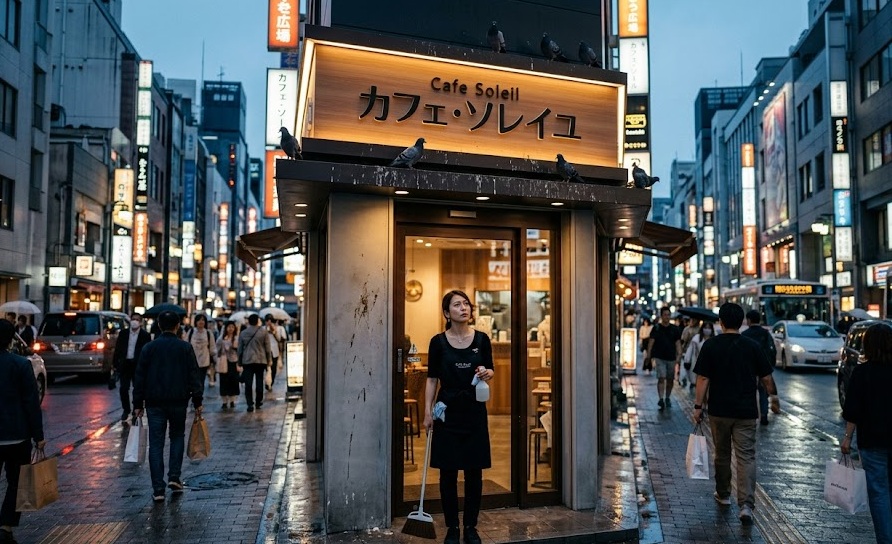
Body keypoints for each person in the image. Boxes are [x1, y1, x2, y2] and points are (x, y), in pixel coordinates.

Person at [692, 302, 780, 524]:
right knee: (746, 456)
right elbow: (767, 377)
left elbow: (703, 378)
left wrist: (698, 406)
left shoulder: (710, 346)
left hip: (719, 411)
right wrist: (773, 398)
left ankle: (723, 494)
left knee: (721, 454)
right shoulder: (751, 346)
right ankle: (746, 506)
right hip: (746, 411)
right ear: (741, 322)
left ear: (720, 322)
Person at [423, 290, 494, 544]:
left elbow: (490, 370)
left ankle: (471, 527)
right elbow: (432, 379)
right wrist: (427, 413)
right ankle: (452, 527)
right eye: (457, 304)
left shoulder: (483, 340)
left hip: (474, 411)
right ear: (446, 313)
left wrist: (487, 372)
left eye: (466, 304)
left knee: (474, 473)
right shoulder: (437, 342)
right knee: (448, 472)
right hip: (447, 411)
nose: (464, 308)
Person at [132, 311, 203, 503]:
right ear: (177, 326)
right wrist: (198, 401)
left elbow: (139, 378)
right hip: (179, 401)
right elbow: (194, 376)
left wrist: (137, 404)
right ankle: (174, 477)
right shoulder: (185, 348)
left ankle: (158, 489)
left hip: (154, 402)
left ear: (160, 326)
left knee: (156, 443)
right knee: (177, 436)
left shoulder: (149, 348)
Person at [841, 322, 892, 543]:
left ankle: (885, 539)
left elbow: (853, 410)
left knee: (879, 493)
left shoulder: (862, 372)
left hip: (872, 441)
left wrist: (847, 438)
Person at [0, 319, 45, 543]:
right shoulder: (20, 364)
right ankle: (6, 524)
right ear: (11, 340)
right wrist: (39, 436)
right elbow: (31, 402)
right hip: (17, 434)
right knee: (16, 482)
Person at [112, 312, 152, 422]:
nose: (135, 321)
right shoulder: (123, 334)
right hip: (125, 364)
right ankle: (126, 409)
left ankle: (136, 410)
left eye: (137, 320)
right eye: (133, 319)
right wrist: (115, 364)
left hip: (138, 366)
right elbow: (118, 349)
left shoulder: (145, 335)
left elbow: (147, 352)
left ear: (140, 322)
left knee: (137, 389)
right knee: (123, 388)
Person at [741, 310, 777, 425]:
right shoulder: (765, 333)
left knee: (749, 393)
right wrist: (770, 366)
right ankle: (764, 415)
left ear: (749, 320)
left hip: (748, 370)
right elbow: (772, 350)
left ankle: (751, 416)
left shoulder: (744, 335)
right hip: (763, 369)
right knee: (763, 393)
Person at [646, 306, 682, 410]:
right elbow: (651, 342)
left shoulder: (674, 329)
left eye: (668, 315)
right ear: (661, 316)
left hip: (671, 357)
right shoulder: (656, 328)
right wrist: (648, 355)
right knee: (661, 377)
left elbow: (678, 343)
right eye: (665, 315)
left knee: (670, 379)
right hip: (659, 357)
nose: (667, 317)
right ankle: (661, 398)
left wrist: (679, 356)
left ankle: (667, 397)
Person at [238, 314, 271, 412]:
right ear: (257, 321)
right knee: (259, 381)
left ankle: (249, 404)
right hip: (260, 360)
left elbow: (240, 349)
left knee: (248, 383)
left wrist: (239, 361)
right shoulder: (263, 332)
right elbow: (268, 349)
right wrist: (268, 360)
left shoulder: (243, 333)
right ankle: (258, 401)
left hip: (247, 360)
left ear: (249, 321)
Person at [216, 322, 241, 410]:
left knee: (233, 381)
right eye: (229, 327)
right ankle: (224, 401)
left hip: (233, 362)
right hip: (224, 362)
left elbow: (240, 350)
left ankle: (232, 400)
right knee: (224, 381)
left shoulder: (237, 338)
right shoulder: (221, 338)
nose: (230, 329)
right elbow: (217, 349)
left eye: (232, 327)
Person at [682, 321, 714, 391]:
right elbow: (690, 350)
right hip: (697, 363)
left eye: (709, 328)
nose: (707, 329)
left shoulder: (714, 339)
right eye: (705, 327)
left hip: (711, 365)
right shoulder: (696, 338)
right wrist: (687, 360)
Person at [188, 314, 217, 389]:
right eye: (199, 320)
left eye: (203, 320)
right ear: (195, 322)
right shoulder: (191, 332)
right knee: (193, 381)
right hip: (192, 362)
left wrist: (214, 359)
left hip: (204, 362)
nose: (201, 322)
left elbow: (212, 347)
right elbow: (186, 345)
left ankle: (199, 397)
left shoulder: (208, 333)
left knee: (201, 381)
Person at [679, 317, 701, 386]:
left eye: (694, 320)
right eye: (691, 320)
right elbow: (683, 340)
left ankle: (693, 381)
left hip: (696, 352)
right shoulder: (687, 329)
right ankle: (685, 378)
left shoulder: (700, 329)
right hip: (686, 351)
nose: (692, 321)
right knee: (686, 366)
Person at [264, 315, 281, 390]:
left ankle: (271, 382)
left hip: (274, 351)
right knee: (267, 368)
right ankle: (267, 382)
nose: (269, 322)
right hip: (265, 351)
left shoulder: (276, 328)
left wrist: (273, 332)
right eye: (267, 321)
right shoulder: (262, 329)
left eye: (270, 321)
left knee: (273, 368)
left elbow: (279, 339)